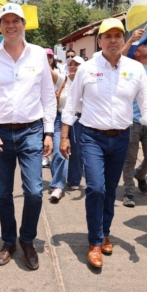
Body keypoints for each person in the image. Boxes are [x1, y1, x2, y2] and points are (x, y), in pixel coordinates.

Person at [60, 18, 147, 269]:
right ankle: (93, 243)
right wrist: (63, 136)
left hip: (122, 137)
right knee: (96, 188)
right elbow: (71, 104)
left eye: (118, 36)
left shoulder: (135, 69)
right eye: (108, 36)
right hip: (91, 136)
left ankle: (105, 232)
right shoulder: (87, 69)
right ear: (100, 41)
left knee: (110, 190)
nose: (113, 40)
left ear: (123, 40)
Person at [0, 3, 56, 271]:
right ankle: (8, 241)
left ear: (24, 24)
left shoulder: (37, 55)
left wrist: (48, 131)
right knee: (3, 193)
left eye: (16, 20)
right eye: (5, 21)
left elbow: (48, 95)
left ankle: (27, 239)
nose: (11, 25)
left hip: (31, 131)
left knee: (34, 191)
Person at [120, 37, 147, 207]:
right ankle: (129, 192)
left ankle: (140, 175)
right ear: (136, 53)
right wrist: (130, 41)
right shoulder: (129, 69)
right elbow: (118, 56)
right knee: (129, 159)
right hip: (132, 122)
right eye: (144, 45)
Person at [50, 55, 84, 201]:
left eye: (77, 64)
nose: (73, 66)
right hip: (60, 119)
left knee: (77, 153)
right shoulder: (62, 79)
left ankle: (74, 180)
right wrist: (44, 59)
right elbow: (49, 72)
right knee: (59, 151)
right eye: (70, 64)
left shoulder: (87, 81)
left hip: (80, 120)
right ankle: (58, 185)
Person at [42, 48, 66, 168]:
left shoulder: (59, 69)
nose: (48, 59)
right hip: (40, 106)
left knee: (50, 132)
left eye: (50, 57)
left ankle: (48, 154)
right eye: (45, 57)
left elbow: (61, 83)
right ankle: (44, 156)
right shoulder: (36, 70)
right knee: (42, 132)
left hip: (56, 107)